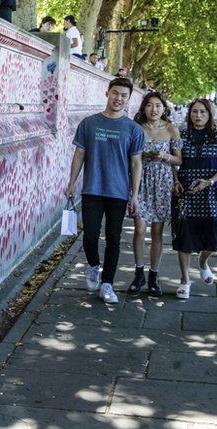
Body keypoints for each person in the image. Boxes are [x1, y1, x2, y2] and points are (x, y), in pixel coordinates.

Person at [66, 77, 144, 303]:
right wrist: (71, 183)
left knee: (114, 238)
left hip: (118, 192)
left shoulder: (133, 129)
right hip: (92, 188)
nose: (118, 98)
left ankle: (107, 284)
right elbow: (79, 154)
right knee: (90, 235)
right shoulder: (89, 123)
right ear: (107, 93)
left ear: (129, 100)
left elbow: (136, 163)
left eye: (124, 96)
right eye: (115, 93)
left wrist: (135, 194)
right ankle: (92, 266)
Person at [172, 98, 217, 299]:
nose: (198, 115)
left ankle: (202, 262)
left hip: (210, 191)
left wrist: (209, 181)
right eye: (195, 111)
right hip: (186, 191)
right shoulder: (181, 133)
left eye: (203, 112)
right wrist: (175, 181)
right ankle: (184, 279)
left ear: (210, 115)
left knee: (213, 235)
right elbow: (173, 160)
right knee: (184, 235)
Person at [128, 92, 182, 296]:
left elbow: (179, 160)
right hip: (140, 181)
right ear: (144, 108)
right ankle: (138, 273)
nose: (154, 109)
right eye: (150, 105)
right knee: (139, 229)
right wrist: (143, 155)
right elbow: (130, 156)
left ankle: (153, 276)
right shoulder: (137, 128)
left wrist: (165, 155)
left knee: (157, 232)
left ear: (164, 108)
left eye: (158, 106)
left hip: (162, 182)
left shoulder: (171, 129)